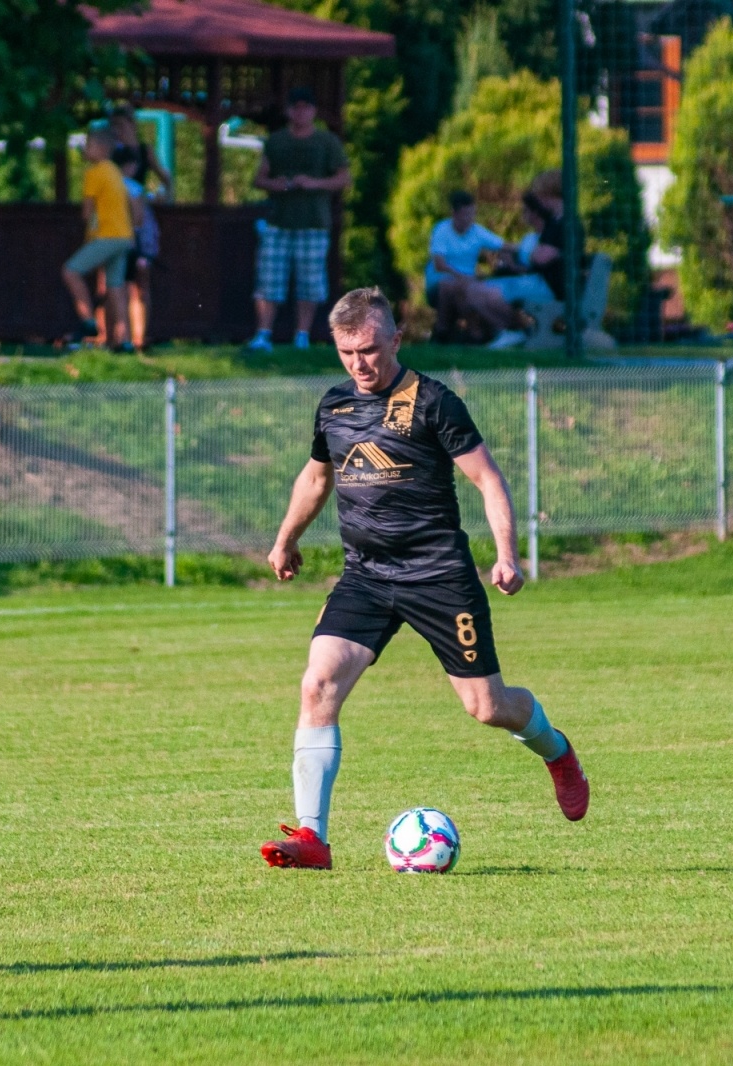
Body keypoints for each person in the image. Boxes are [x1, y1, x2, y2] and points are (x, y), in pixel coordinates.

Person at [259, 288, 590, 870]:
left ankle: (558, 752)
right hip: (365, 576)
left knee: (488, 707)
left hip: (437, 575)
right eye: (346, 352)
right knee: (318, 685)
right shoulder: (333, 407)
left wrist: (506, 555)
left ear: (395, 339)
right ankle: (313, 839)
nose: (359, 364)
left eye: (368, 350)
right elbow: (316, 480)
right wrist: (286, 539)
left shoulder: (435, 402)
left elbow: (488, 480)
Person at [247, 86, 351, 353]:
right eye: (296, 107)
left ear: (314, 111)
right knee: (269, 279)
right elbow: (259, 178)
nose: (301, 112)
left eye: (306, 107)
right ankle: (263, 334)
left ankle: (302, 335)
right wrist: (278, 184)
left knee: (310, 281)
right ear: (289, 110)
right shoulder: (277, 140)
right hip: (278, 221)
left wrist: (313, 183)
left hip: (313, 222)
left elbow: (344, 178)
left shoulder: (327, 142)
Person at [462, 172, 575, 350]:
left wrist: (523, 252)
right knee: (473, 291)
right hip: (537, 280)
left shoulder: (567, 223)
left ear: (549, 195)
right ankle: (511, 331)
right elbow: (537, 255)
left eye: (541, 196)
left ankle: (515, 331)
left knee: (481, 292)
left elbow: (541, 257)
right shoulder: (554, 222)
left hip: (550, 286)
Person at [62, 129, 138, 350]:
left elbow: (87, 213)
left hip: (107, 236)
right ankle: (124, 341)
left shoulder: (94, 173)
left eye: (89, 145)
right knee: (116, 286)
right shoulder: (115, 171)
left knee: (71, 271)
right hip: (124, 236)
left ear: (102, 149)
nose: (85, 149)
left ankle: (88, 321)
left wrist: (89, 231)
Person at [426, 190, 505, 340]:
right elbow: (439, 265)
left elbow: (502, 245)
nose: (469, 219)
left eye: (472, 214)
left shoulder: (476, 231)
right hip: (440, 283)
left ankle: (446, 331)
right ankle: (472, 331)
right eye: (465, 215)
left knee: (464, 289)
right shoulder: (442, 230)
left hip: (466, 284)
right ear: (454, 214)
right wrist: (464, 277)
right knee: (449, 286)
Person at [113, 146, 160, 352]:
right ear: (130, 167)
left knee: (115, 289)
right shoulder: (134, 189)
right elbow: (139, 221)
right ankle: (138, 337)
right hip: (133, 245)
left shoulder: (108, 186)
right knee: (137, 290)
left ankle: (117, 336)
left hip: (111, 244)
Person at [108, 106, 174, 199]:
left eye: (120, 125)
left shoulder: (145, 151)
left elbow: (165, 176)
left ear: (132, 124)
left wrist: (164, 194)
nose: (116, 130)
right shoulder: (112, 151)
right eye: (113, 125)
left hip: (138, 202)